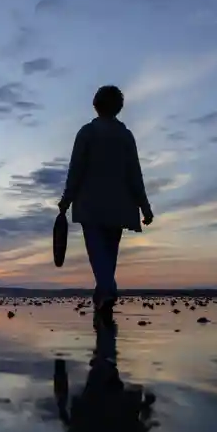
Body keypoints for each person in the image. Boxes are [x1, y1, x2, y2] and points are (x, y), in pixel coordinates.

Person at [58, 85, 154, 320]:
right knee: (109, 254)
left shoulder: (87, 133)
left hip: (91, 205)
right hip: (119, 207)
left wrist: (67, 199)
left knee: (98, 253)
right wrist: (145, 206)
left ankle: (107, 290)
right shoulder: (125, 136)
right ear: (118, 107)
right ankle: (104, 296)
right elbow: (135, 175)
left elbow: (76, 170)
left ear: (96, 104)